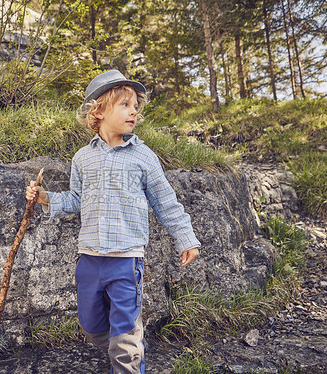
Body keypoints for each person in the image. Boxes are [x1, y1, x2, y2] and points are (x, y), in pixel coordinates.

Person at [26, 69, 200, 374]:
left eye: (135, 106)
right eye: (124, 105)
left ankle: (127, 355)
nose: (133, 111)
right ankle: (119, 343)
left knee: (126, 333)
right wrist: (46, 198)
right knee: (91, 325)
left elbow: (165, 201)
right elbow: (77, 199)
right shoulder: (82, 157)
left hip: (126, 260)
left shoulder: (143, 157)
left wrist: (185, 237)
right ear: (99, 111)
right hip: (89, 259)